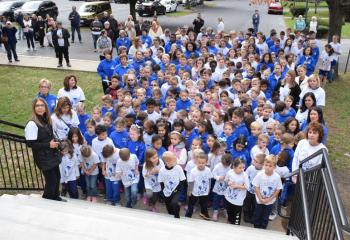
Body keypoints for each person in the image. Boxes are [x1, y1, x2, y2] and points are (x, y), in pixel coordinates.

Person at [24, 98, 62, 201]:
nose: (40, 108)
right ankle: (48, 199)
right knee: (51, 180)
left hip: (52, 154)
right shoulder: (32, 124)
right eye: (37, 106)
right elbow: (30, 144)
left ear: (45, 107)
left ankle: (55, 197)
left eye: (42, 105)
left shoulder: (47, 119)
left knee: (57, 177)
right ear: (34, 108)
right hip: (42, 157)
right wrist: (48, 145)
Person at [252, 155, 282, 229]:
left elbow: (278, 189)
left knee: (265, 216)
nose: (267, 167)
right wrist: (260, 198)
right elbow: (256, 187)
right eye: (266, 165)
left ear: (274, 167)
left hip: (270, 201)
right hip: (259, 200)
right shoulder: (259, 175)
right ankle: (256, 228)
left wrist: (270, 199)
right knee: (257, 215)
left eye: (270, 166)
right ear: (263, 165)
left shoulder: (277, 177)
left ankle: (263, 228)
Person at [158, 151, 186, 218]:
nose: (176, 159)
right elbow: (161, 181)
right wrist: (164, 190)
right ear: (167, 162)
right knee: (168, 206)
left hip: (176, 190)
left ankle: (177, 216)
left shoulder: (178, 168)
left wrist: (176, 190)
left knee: (175, 203)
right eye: (174, 159)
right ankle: (171, 216)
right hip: (167, 191)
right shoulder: (162, 170)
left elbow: (183, 180)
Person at [185, 151, 212, 220]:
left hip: (204, 191)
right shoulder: (193, 171)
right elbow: (191, 182)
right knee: (191, 205)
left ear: (206, 163)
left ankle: (204, 213)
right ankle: (188, 216)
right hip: (194, 192)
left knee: (204, 204)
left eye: (203, 163)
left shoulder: (208, 170)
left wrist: (209, 188)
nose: (201, 164)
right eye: (199, 163)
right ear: (196, 162)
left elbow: (209, 179)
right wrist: (189, 190)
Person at [224, 158, 249, 225]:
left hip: (238, 200)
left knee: (237, 217)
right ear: (234, 167)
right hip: (229, 197)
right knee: (229, 213)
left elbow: (247, 187)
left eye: (243, 167)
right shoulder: (230, 172)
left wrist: (237, 186)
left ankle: (236, 226)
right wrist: (229, 182)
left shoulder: (244, 175)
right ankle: (229, 222)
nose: (242, 169)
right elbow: (226, 180)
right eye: (240, 167)